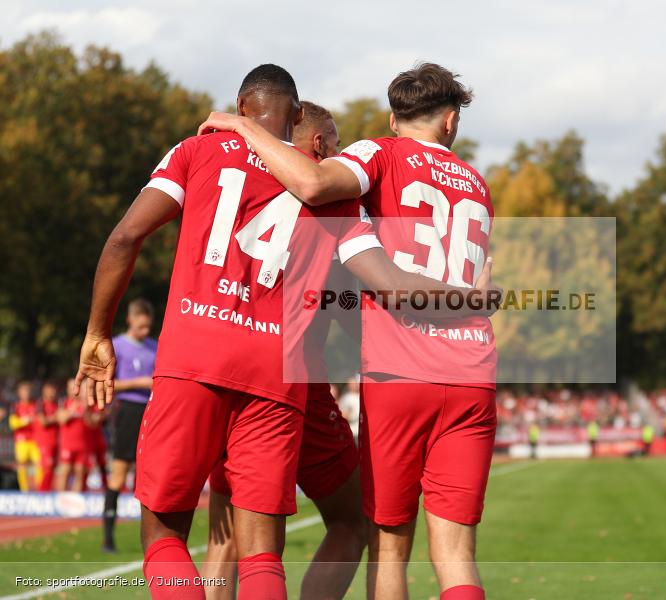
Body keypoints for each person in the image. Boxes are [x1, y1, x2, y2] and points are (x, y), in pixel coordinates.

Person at [80, 64, 497, 600]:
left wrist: (97, 333)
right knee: (269, 548)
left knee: (183, 536)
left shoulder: (198, 151)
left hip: (199, 356)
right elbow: (370, 285)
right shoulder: (365, 196)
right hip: (291, 375)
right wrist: (467, 306)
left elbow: (124, 238)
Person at [200, 100, 366, 600]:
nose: (338, 153)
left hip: (223, 364)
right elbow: (348, 310)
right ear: (318, 144)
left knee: (226, 534)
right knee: (351, 519)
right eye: (334, 142)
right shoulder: (329, 201)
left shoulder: (233, 181)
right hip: (295, 380)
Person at [103, 298, 156, 552]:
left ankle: (149, 537)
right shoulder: (117, 346)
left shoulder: (154, 347)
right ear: (130, 320)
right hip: (127, 412)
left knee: (148, 476)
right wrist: (139, 382)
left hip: (152, 411)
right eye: (141, 327)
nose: (145, 332)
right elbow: (108, 384)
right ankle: (108, 538)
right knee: (119, 473)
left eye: (148, 327)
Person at [57, 379, 90, 491]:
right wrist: (73, 409)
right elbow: (61, 419)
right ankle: (61, 499)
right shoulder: (64, 402)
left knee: (80, 472)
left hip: (82, 445)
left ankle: (75, 502)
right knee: (65, 471)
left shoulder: (85, 404)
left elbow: (92, 423)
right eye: (71, 387)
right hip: (68, 444)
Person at [10, 381, 40, 491]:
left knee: (38, 466)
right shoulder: (15, 406)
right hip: (21, 442)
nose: (26, 393)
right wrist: (24, 421)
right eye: (23, 390)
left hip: (35, 441)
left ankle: (39, 490)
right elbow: (12, 423)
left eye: (28, 390)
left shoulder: (36, 405)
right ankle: (24, 491)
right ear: (19, 392)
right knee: (22, 467)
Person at [35, 381, 61, 491]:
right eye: (50, 390)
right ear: (44, 391)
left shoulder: (57, 404)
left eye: (54, 390)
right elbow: (43, 422)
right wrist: (56, 417)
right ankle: (42, 493)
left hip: (56, 441)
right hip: (45, 442)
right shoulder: (40, 404)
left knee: (53, 469)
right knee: (47, 468)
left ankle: (48, 491)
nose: (52, 393)